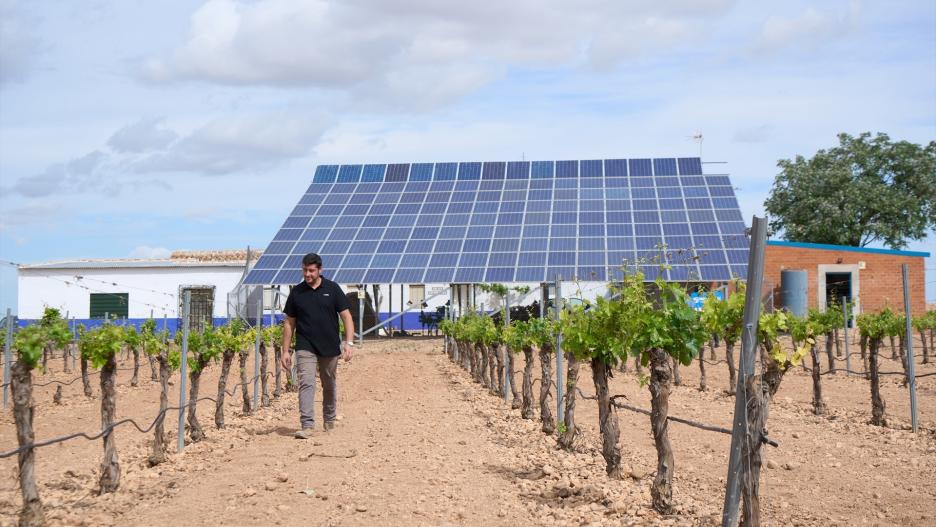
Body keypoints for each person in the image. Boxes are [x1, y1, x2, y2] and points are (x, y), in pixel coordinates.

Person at [281, 253, 355, 439]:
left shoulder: (333, 288)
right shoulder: (297, 292)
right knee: (306, 382)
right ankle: (307, 425)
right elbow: (289, 322)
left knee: (328, 383)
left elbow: (346, 317)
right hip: (305, 345)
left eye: (311, 270)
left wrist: (349, 342)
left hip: (330, 346)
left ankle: (329, 418)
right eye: (305, 270)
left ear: (320, 270)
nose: (307, 274)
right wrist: (285, 350)